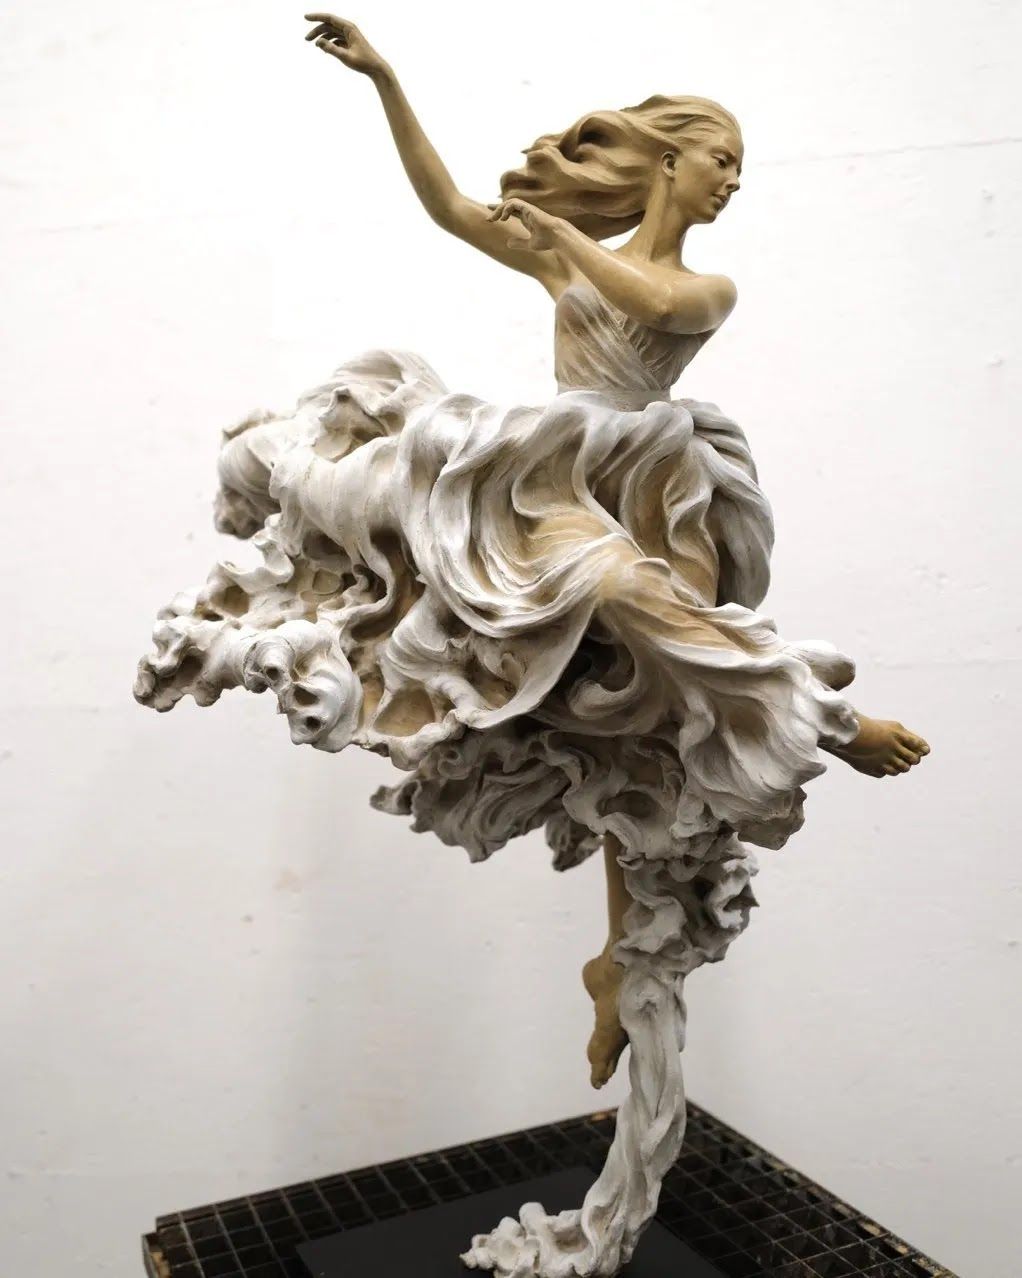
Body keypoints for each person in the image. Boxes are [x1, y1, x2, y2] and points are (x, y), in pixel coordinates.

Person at [135, 18, 930, 1273]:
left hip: (647, 478)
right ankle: (784, 766)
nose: (731, 180)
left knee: (651, 720)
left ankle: (657, 921)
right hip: (556, 473)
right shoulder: (579, 253)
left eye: (739, 167)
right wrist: (388, 84)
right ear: (667, 161)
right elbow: (452, 206)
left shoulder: (699, 288)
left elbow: (646, 301)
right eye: (718, 158)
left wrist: (554, 240)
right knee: (600, 634)